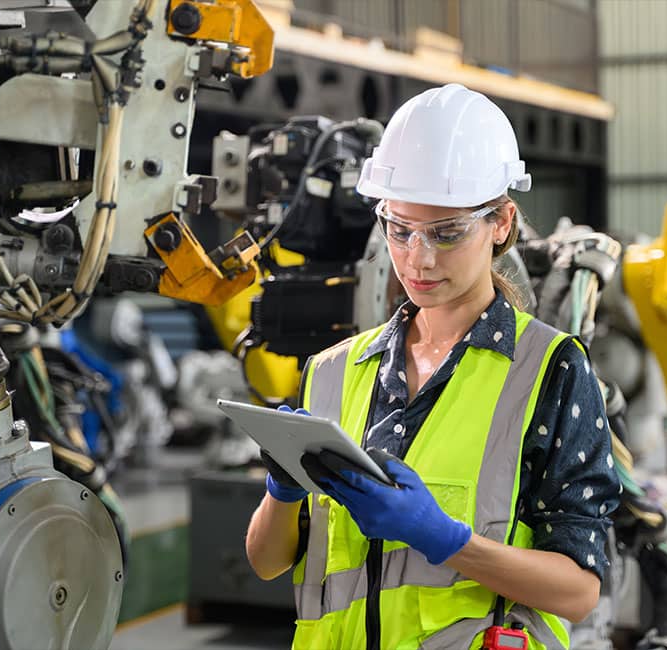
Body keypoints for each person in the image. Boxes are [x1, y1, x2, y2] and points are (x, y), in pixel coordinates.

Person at [245, 83, 620, 650]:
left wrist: (445, 540)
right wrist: (282, 491)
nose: (418, 258)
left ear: (501, 224)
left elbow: (579, 592)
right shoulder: (332, 370)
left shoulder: (549, 371)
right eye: (399, 230)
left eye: (446, 233)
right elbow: (266, 562)